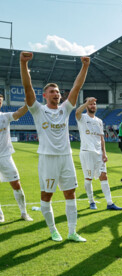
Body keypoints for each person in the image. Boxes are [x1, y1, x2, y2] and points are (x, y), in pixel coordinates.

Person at [20, 51, 89, 242]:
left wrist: (85, 66)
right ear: (45, 95)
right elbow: (27, 88)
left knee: (70, 194)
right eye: (52, 92)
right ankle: (53, 230)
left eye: (58, 92)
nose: (56, 94)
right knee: (46, 195)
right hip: (47, 158)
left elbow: (76, 87)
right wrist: (23, 64)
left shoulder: (65, 109)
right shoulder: (38, 109)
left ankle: (72, 231)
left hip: (66, 157)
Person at [75, 97, 122, 211]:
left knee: (104, 176)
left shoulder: (99, 121)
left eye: (94, 104)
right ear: (86, 106)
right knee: (88, 178)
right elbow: (77, 112)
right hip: (87, 153)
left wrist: (104, 153)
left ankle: (110, 203)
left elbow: (102, 139)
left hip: (99, 154)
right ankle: (91, 201)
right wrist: (86, 102)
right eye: (90, 104)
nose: (93, 106)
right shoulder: (82, 118)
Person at [0, 96, 33, 223]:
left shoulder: (5, 116)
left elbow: (18, 113)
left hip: (5, 156)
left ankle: (24, 213)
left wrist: (26, 105)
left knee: (16, 184)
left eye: (0, 100)